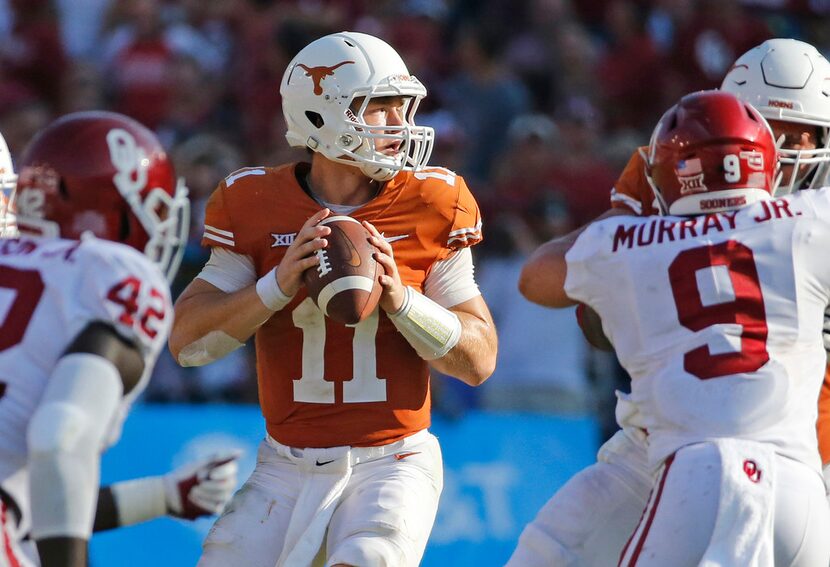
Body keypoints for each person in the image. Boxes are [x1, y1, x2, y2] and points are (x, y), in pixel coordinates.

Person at [168, 31, 498, 567]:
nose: (399, 127)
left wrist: (402, 301)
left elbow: (480, 360)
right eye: (379, 110)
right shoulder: (251, 201)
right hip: (284, 465)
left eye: (402, 108)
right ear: (320, 117)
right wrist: (275, 285)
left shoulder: (434, 199)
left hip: (394, 459)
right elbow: (189, 344)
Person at [507, 38, 830, 567]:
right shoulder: (810, 218)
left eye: (808, 135)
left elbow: (543, 275)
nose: (794, 150)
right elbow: (589, 316)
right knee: (551, 550)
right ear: (748, 131)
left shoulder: (656, 207)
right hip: (672, 436)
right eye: (778, 131)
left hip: (798, 435)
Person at [0, 111, 238, 567]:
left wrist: (163, 495)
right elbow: (58, 436)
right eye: (154, 210)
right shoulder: (107, 274)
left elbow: (36, 497)